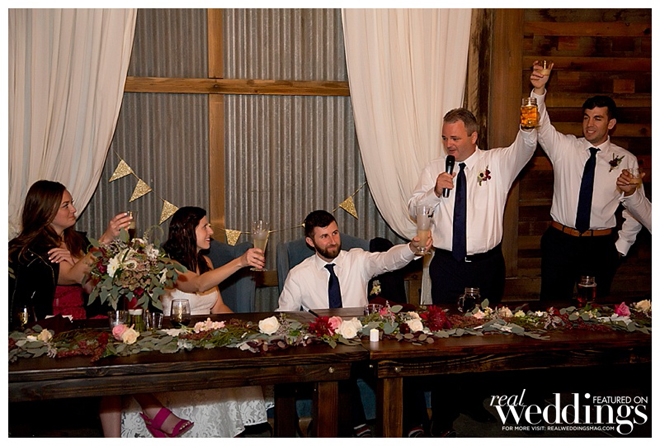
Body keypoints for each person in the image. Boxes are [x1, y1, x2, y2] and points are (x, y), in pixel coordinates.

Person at [116, 206, 271, 438]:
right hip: (175, 340)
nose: (211, 232)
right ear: (188, 231)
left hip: (205, 335)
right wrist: (240, 261)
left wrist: (244, 327)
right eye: (205, 227)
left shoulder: (206, 261)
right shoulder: (168, 265)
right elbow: (197, 285)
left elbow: (217, 307)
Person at [277, 210, 432, 437]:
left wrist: (411, 248)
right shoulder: (298, 275)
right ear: (310, 241)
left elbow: (387, 260)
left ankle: (412, 426)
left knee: (395, 364)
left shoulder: (357, 260)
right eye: (324, 236)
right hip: (326, 347)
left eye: (335, 233)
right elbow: (285, 317)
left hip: (364, 342)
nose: (332, 241)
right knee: (339, 370)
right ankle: (359, 428)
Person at [530, 60, 644, 301]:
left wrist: (622, 246)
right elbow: (542, 126)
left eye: (597, 118)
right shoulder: (565, 148)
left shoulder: (626, 159)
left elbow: (636, 209)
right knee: (551, 308)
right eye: (586, 117)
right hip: (560, 242)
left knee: (594, 312)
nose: (590, 125)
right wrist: (539, 90)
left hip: (600, 246)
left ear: (611, 124)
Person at [408, 108, 537, 306]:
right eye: (444, 138)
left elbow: (526, 146)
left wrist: (530, 118)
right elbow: (414, 209)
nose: (448, 144)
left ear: (473, 137)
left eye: (455, 138)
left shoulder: (497, 162)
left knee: (487, 323)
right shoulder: (433, 168)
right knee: (445, 322)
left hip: (486, 267)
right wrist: (435, 192)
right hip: (446, 266)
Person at [8, 180, 132, 326]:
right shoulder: (32, 250)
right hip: (51, 327)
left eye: (71, 203)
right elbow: (73, 276)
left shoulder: (80, 242)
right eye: (65, 206)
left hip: (82, 320)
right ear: (46, 212)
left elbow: (91, 288)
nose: (73, 209)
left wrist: (75, 262)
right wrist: (105, 239)